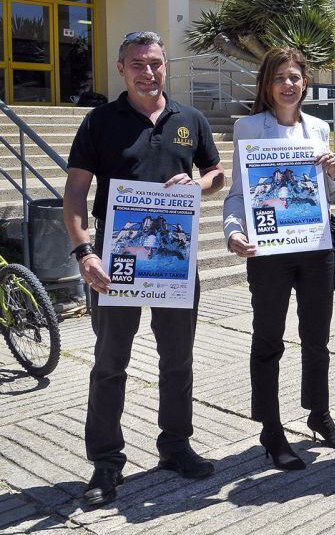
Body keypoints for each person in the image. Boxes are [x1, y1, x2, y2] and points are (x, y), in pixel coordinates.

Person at [63, 31, 225, 507]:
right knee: (111, 364)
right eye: (138, 63)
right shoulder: (99, 122)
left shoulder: (189, 119)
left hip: (174, 261)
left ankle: (175, 446)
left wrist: (199, 183)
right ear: (121, 69)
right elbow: (75, 193)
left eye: (155, 63)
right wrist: (84, 251)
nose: (147, 71)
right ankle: (106, 463)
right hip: (118, 262)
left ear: (165, 67)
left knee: (178, 359)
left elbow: (217, 174)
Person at [223, 47, 335, 470]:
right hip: (269, 253)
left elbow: (328, 195)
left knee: (317, 339)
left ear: (305, 83)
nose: (288, 84)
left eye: (295, 77)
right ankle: (271, 429)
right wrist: (233, 231)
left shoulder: (318, 127)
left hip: (315, 248)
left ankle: (319, 414)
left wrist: (332, 173)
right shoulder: (247, 127)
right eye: (280, 77)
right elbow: (239, 193)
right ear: (267, 84)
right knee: (268, 341)